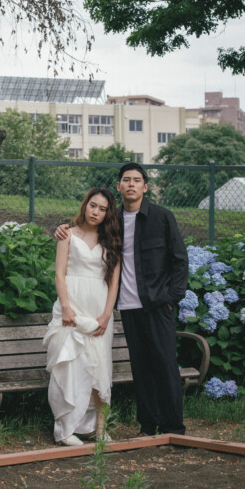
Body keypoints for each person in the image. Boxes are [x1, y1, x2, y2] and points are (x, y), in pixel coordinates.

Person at [56, 163, 189, 437]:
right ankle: (148, 426)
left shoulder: (162, 217)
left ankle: (173, 427)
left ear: (145, 187)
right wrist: (62, 229)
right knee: (140, 368)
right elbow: (85, 228)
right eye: (126, 180)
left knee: (164, 364)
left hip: (157, 305)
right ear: (119, 186)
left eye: (137, 180)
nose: (131, 184)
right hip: (127, 307)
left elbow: (179, 261)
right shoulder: (111, 220)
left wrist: (171, 298)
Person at [43, 187, 122, 446]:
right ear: (85, 204)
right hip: (72, 307)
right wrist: (66, 306)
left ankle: (98, 429)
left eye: (102, 209)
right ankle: (65, 429)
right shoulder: (67, 234)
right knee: (70, 366)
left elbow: (114, 282)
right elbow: (59, 273)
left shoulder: (111, 241)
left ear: (108, 214)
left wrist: (106, 315)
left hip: (99, 309)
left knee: (99, 367)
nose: (96, 212)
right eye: (93, 205)